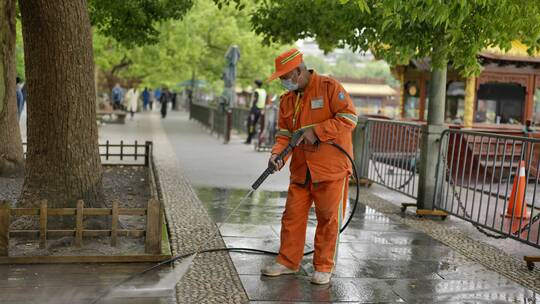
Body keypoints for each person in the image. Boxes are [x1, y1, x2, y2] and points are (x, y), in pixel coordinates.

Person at [261, 48, 357, 285]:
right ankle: (287, 262)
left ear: (298, 71)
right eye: (281, 78)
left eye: (285, 77)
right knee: (292, 216)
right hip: (302, 170)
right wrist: (278, 156)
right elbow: (284, 134)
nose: (283, 82)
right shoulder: (287, 101)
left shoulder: (329, 88)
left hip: (331, 169)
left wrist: (317, 131)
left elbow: (350, 118)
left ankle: (323, 266)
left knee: (328, 218)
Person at [245, 80, 267, 144]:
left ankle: (249, 139)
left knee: (250, 124)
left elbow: (255, 101)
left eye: (254, 84)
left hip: (254, 110)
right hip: (260, 110)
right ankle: (253, 137)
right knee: (255, 124)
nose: (253, 85)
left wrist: (251, 110)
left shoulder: (256, 91)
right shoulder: (264, 91)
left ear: (256, 85)